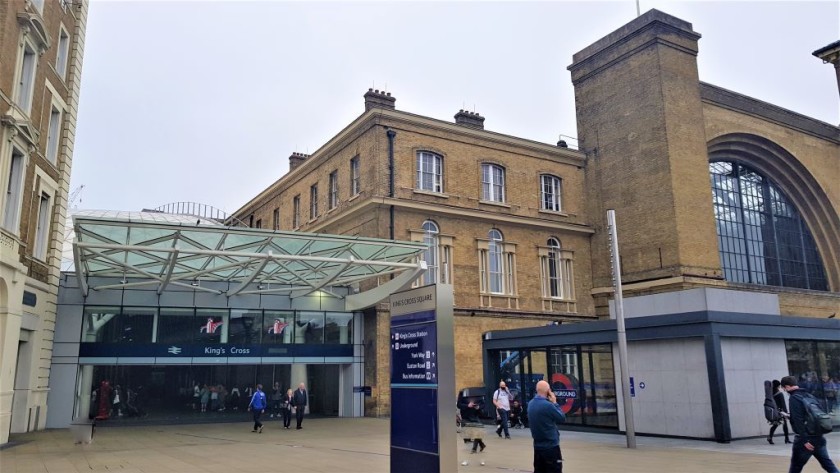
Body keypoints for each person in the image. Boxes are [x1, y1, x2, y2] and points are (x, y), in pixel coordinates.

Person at [781, 375, 838, 473]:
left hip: (805, 439)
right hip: (819, 437)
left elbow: (798, 420)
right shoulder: (809, 395)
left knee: (795, 468)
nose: (785, 391)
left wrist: (804, 440)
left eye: (784, 389)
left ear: (787, 387)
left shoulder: (794, 398)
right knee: (828, 465)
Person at [528, 380, 566, 473]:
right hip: (551, 447)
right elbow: (562, 418)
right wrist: (555, 402)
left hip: (538, 446)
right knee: (555, 469)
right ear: (548, 391)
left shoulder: (531, 404)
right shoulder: (548, 405)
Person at [768, 379, 791, 444]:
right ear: (778, 386)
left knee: (775, 425)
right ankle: (786, 439)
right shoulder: (779, 394)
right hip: (781, 411)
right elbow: (783, 404)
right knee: (785, 425)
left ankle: (770, 437)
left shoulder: (770, 393)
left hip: (775, 411)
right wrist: (786, 413)